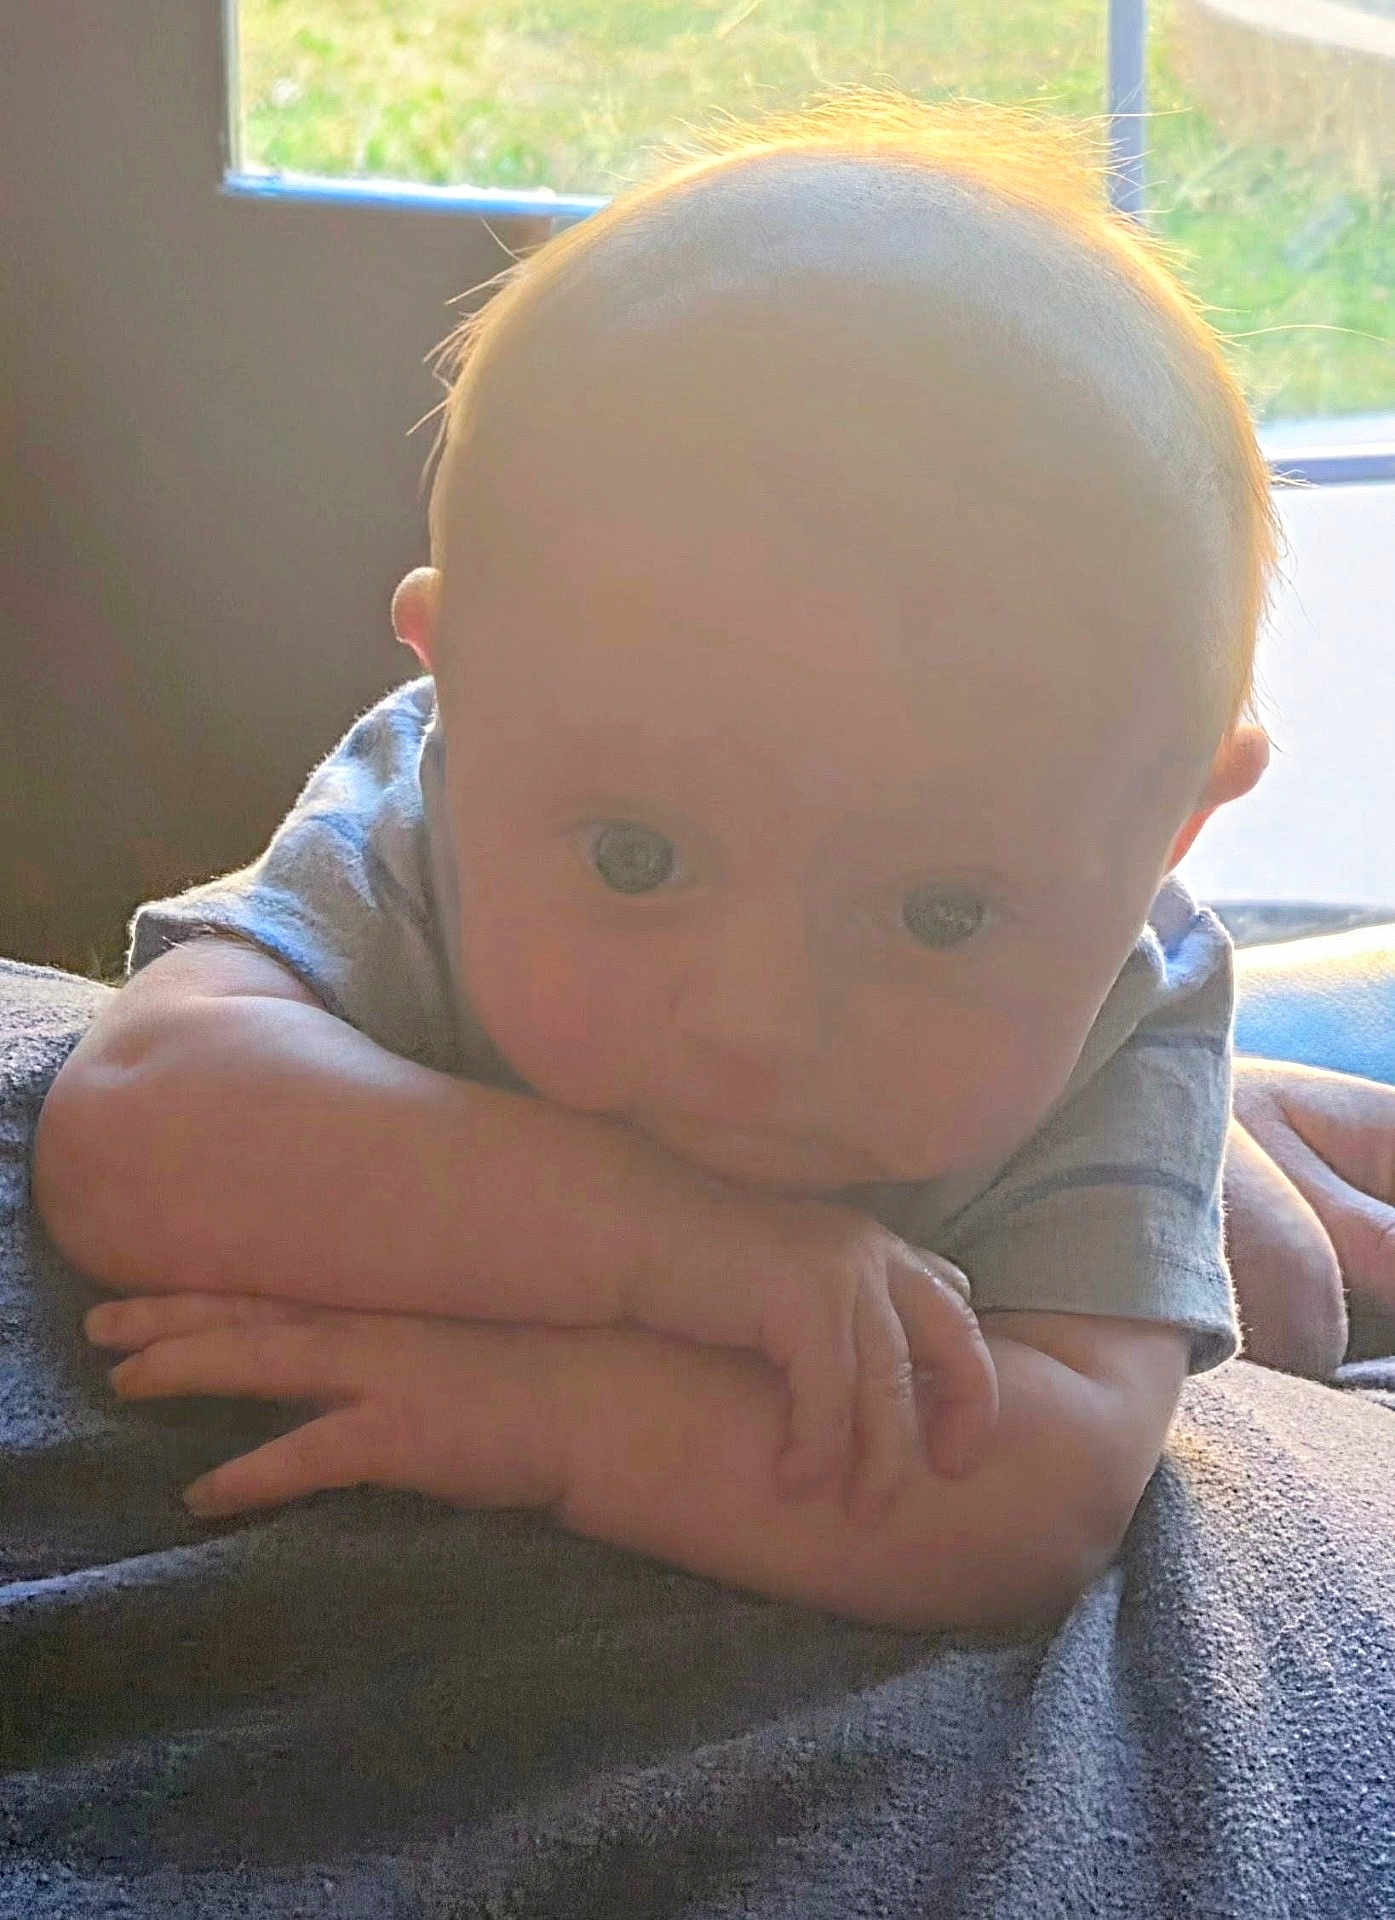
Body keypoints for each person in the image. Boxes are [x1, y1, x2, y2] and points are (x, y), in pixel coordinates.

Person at [35, 93, 1334, 1633]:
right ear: (464, 690)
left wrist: (571, 1422)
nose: (755, 1022)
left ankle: (1241, 1138)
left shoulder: (1130, 999)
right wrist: (674, 1257)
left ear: (1172, 836)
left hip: (1053, 1198)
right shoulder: (438, 801)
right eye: (640, 861)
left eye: (942, 913)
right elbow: (138, 1128)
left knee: (1294, 1304)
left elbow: (1037, 1503)